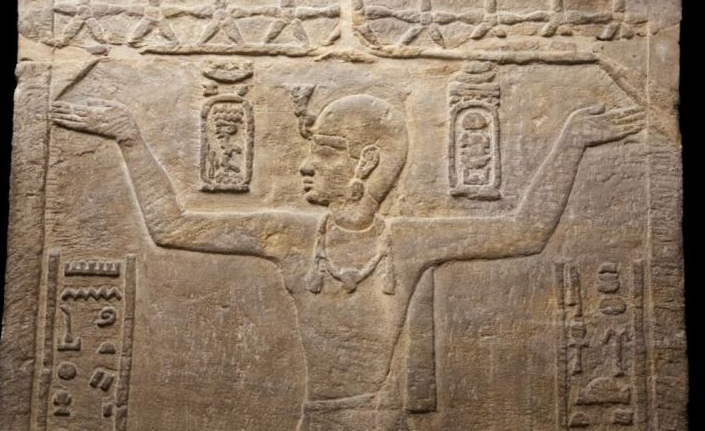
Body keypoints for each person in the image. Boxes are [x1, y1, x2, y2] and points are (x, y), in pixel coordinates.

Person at [51, 93, 643, 431]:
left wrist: (571, 140)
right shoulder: (290, 236)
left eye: (324, 153)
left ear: (365, 163)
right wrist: (129, 136)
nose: (305, 166)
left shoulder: (408, 242)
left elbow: (526, 232)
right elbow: (172, 226)